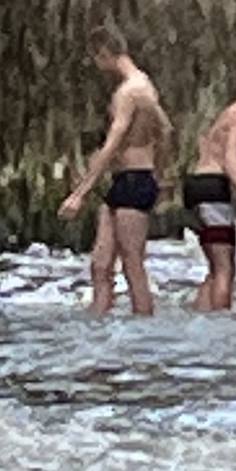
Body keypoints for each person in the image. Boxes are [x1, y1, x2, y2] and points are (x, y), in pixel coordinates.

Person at [60, 24, 172, 316]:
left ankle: (144, 332)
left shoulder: (129, 92)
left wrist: (79, 192)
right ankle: (98, 328)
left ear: (104, 53)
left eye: (96, 59)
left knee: (132, 263)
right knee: (100, 264)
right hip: (128, 180)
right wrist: (159, 174)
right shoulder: (146, 87)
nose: (98, 67)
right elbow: (166, 131)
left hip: (135, 181)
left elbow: (113, 142)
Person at [183, 96, 236, 311]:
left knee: (215, 268)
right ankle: (221, 323)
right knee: (226, 269)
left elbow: (204, 143)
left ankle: (203, 315)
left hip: (197, 184)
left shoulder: (227, 113)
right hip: (213, 187)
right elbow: (230, 158)